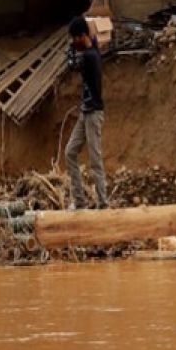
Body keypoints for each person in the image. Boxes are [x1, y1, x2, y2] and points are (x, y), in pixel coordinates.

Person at [65, 16, 108, 210]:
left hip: (93, 113)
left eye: (75, 39)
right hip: (86, 112)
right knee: (70, 152)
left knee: (95, 160)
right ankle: (80, 200)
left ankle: (103, 203)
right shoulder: (92, 50)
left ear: (82, 36)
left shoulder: (90, 57)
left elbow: (72, 65)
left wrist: (70, 53)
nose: (74, 43)